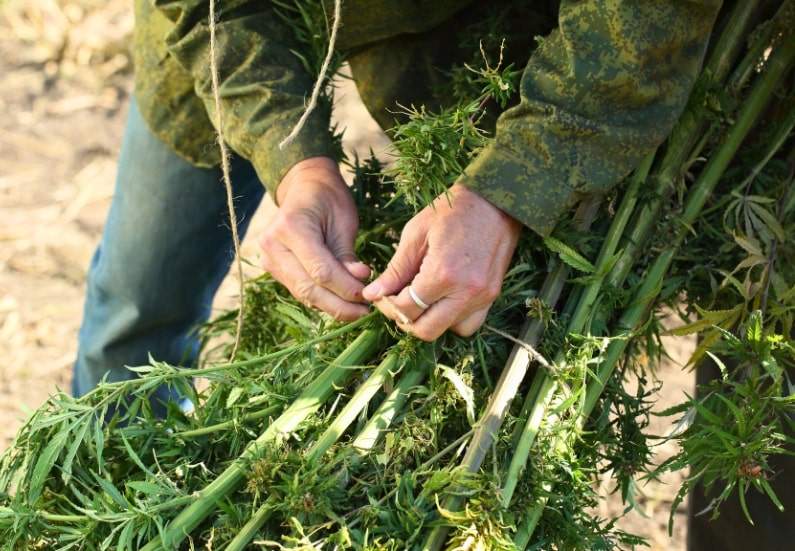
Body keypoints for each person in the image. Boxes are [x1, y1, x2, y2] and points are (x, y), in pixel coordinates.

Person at [72, 1, 792, 549]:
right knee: (140, 301)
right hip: (235, 35)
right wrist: (298, 166)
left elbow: (640, 23)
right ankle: (101, 514)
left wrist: (503, 193)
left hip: (494, 36)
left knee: (478, 317)